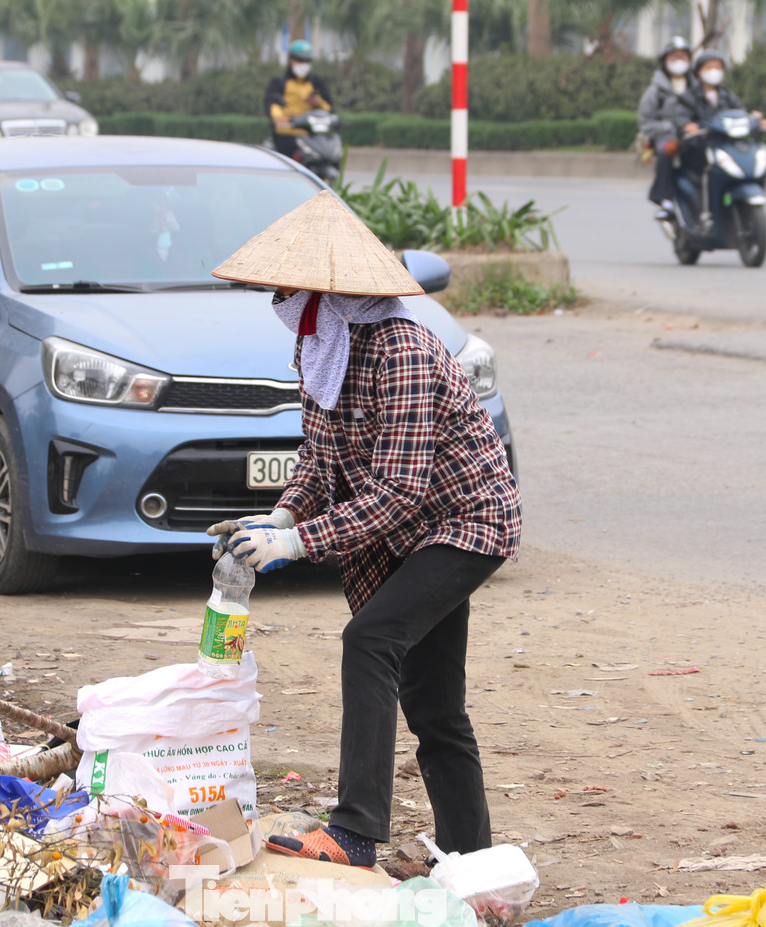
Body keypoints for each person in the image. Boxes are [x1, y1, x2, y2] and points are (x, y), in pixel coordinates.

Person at [205, 191, 522, 867]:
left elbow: (399, 491)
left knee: (370, 638)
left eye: (291, 289)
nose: (281, 300)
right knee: (434, 703)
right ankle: (473, 860)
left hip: (463, 521)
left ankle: (354, 830)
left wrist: (297, 543)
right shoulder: (321, 346)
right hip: (412, 528)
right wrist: (281, 513)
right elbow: (321, 459)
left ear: (330, 292)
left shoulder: (401, 349)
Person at [673, 51, 766, 221]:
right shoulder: (688, 97)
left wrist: (755, 121)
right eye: (709, 67)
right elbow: (681, 117)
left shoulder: (727, 95)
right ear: (698, 72)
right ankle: (705, 215)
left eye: (718, 67)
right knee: (708, 170)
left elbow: (740, 114)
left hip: (725, 145)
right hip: (700, 146)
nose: (714, 71)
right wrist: (688, 126)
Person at [638, 36, 692, 222]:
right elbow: (645, 121)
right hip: (667, 137)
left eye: (683, 57)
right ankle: (666, 202)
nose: (679, 61)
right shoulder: (656, 91)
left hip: (694, 135)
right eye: (674, 57)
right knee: (667, 153)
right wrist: (667, 128)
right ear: (665, 61)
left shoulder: (697, 86)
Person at [263, 39, 333, 160]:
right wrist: (280, 118)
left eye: (307, 61)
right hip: (287, 134)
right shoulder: (279, 81)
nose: (303, 64)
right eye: (300, 60)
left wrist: (318, 102)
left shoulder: (316, 82)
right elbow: (272, 103)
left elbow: (329, 107)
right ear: (290, 60)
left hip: (312, 135)